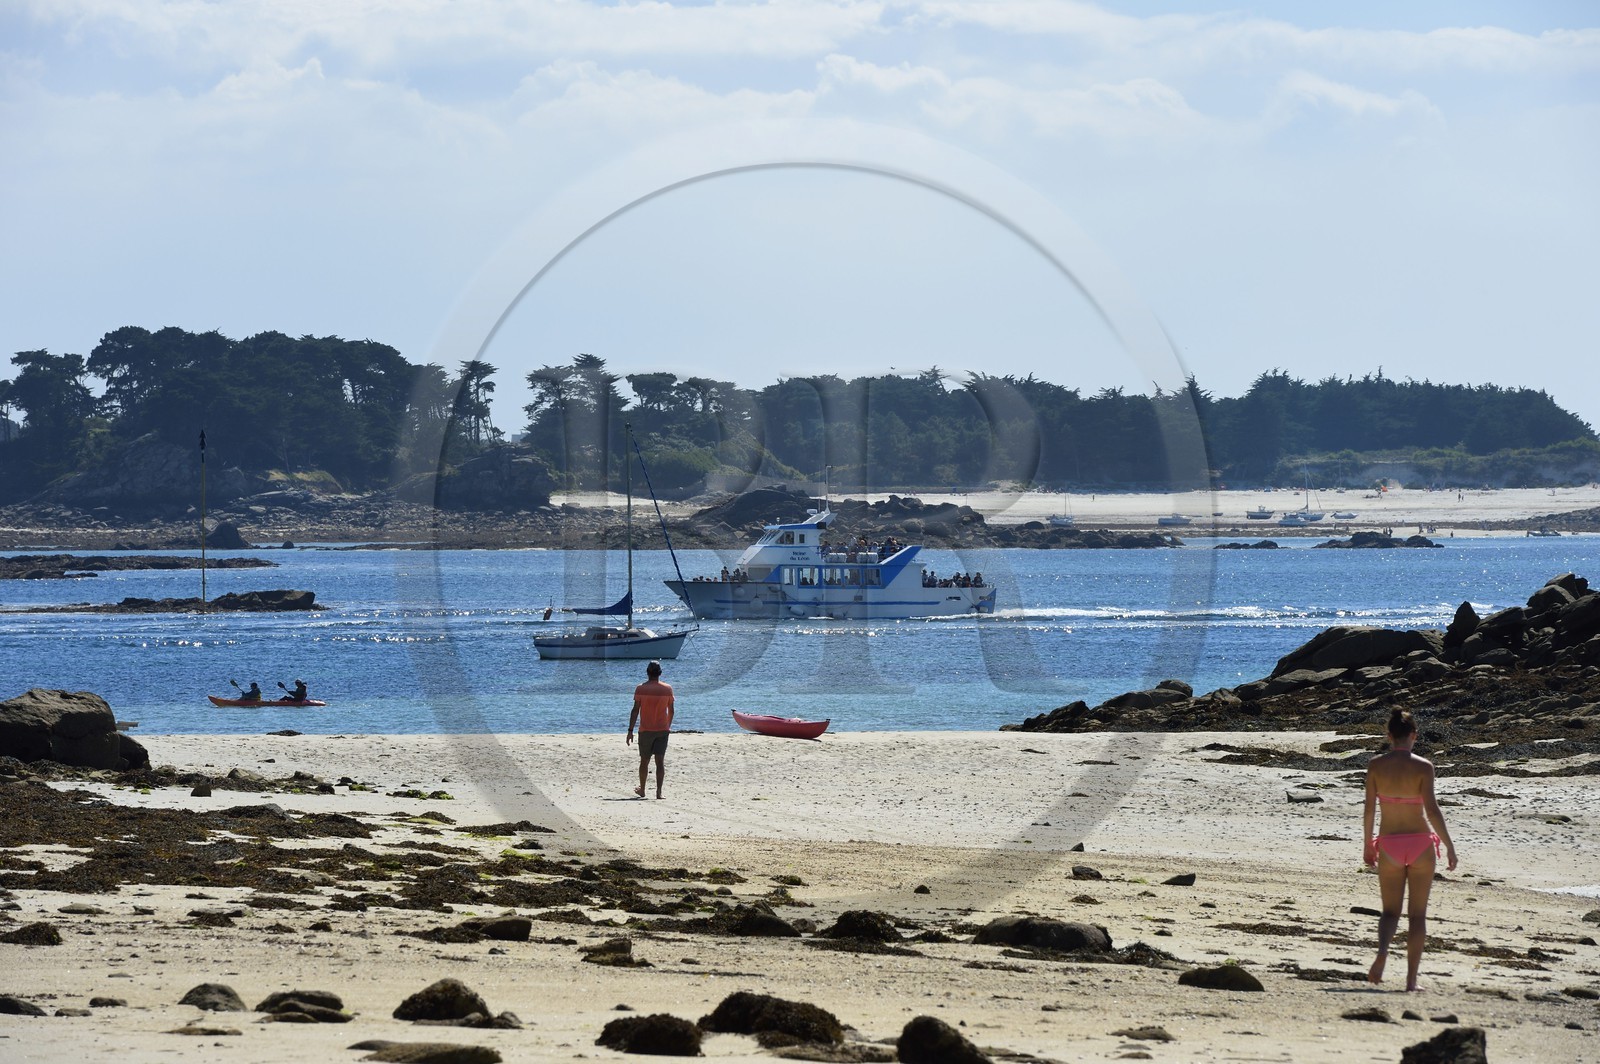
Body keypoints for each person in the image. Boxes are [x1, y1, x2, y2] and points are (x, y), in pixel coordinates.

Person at [1363, 708, 1458, 991]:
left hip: (1390, 844)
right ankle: (1411, 981)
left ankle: (1382, 953)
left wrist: (1368, 845)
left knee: (1390, 912)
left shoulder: (1376, 765)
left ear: (1390, 736)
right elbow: (1432, 810)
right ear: (1414, 736)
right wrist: (1450, 847)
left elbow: (1369, 809)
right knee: (1417, 916)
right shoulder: (1424, 766)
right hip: (1419, 843)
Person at [626, 660, 675, 799]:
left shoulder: (640, 688)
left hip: (645, 730)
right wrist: (668, 726)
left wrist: (630, 730)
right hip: (662, 730)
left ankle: (643, 790)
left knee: (644, 760)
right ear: (660, 673)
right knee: (660, 761)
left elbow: (635, 710)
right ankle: (659, 793)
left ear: (647, 673)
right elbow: (671, 710)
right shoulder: (667, 689)